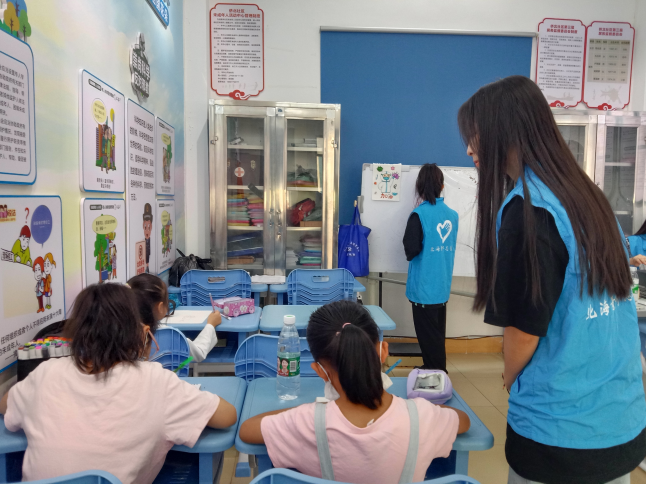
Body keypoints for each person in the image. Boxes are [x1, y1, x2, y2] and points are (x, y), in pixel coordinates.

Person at [458, 75, 646, 484]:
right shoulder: (588, 196)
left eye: (475, 135)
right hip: (621, 418)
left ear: (505, 129)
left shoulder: (530, 211)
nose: (469, 149)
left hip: (562, 434)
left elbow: (524, 331)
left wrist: (510, 377)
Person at [0, 283, 237, 484]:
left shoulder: (46, 373)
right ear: (143, 334)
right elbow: (227, 416)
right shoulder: (155, 381)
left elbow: (5, 405)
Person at [239, 300, 470, 484]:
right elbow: (463, 421)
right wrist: (422, 407)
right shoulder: (422, 417)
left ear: (319, 371)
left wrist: (309, 409)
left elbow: (247, 430)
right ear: (383, 352)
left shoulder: (306, 422)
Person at [402, 163, 458, 372]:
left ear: (420, 187)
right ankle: (433, 369)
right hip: (442, 285)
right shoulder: (452, 215)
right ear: (441, 186)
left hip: (424, 288)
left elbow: (411, 250)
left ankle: (436, 373)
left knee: (428, 336)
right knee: (437, 334)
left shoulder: (419, 215)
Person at [128, 273, 221, 362]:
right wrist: (210, 325)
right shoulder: (169, 335)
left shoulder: (124, 334)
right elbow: (199, 353)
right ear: (160, 308)